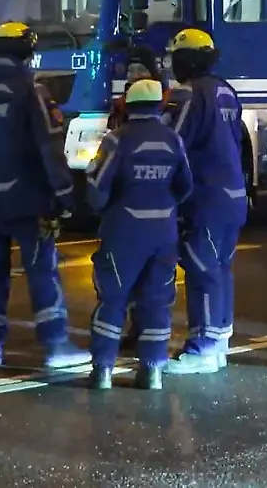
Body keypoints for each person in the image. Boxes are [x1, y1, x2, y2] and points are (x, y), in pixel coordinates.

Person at [0, 21, 89, 370]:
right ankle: (55, 344)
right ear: (28, 52)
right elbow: (49, 148)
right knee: (41, 271)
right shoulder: (32, 91)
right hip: (26, 202)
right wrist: (67, 197)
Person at [85, 78, 193, 390]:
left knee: (113, 299)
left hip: (124, 233)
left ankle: (103, 371)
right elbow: (185, 187)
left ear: (127, 104)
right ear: (159, 104)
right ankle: (152, 371)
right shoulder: (173, 140)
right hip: (163, 234)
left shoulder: (116, 140)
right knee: (157, 302)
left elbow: (96, 190)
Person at [161, 27, 248, 375]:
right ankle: (219, 339)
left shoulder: (187, 95)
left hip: (205, 197)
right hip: (232, 195)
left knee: (201, 270)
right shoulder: (226, 90)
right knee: (219, 269)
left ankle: (203, 347)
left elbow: (172, 144)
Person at [106, 44, 166, 352]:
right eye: (129, 70)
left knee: (144, 283)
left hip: (135, 212)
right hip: (136, 210)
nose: (132, 74)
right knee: (133, 282)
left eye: (137, 69)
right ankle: (141, 340)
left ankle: (138, 341)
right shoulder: (120, 107)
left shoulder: (162, 107)